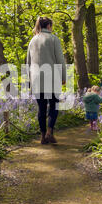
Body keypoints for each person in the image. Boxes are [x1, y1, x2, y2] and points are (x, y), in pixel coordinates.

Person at [27, 16, 66, 144]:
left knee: (41, 109)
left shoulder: (32, 41)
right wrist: (64, 77)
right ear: (49, 26)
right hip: (52, 78)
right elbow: (60, 60)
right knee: (54, 105)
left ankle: (43, 137)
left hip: (36, 80)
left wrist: (30, 81)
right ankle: (50, 131)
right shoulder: (54, 39)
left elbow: (28, 63)